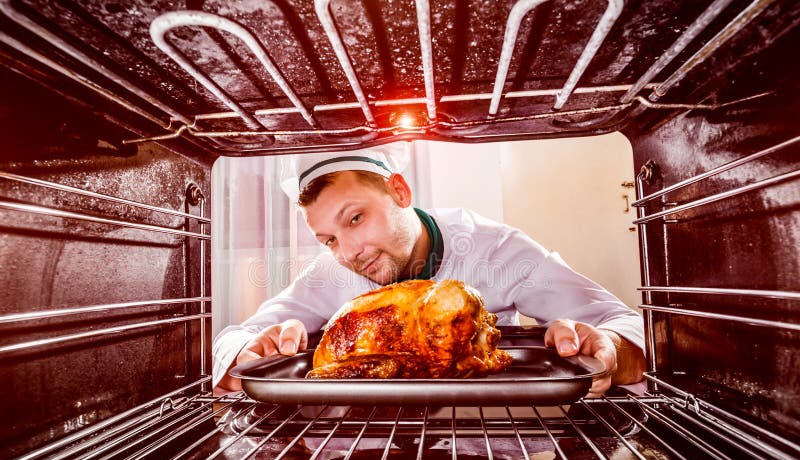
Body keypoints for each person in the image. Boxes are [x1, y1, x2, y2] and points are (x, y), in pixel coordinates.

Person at [213, 143, 646, 395]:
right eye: (328, 239)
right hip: (366, 452)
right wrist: (247, 354)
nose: (349, 251)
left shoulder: (494, 248)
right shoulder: (328, 273)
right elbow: (234, 341)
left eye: (356, 218)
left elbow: (625, 324)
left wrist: (609, 347)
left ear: (399, 191)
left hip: (487, 444)